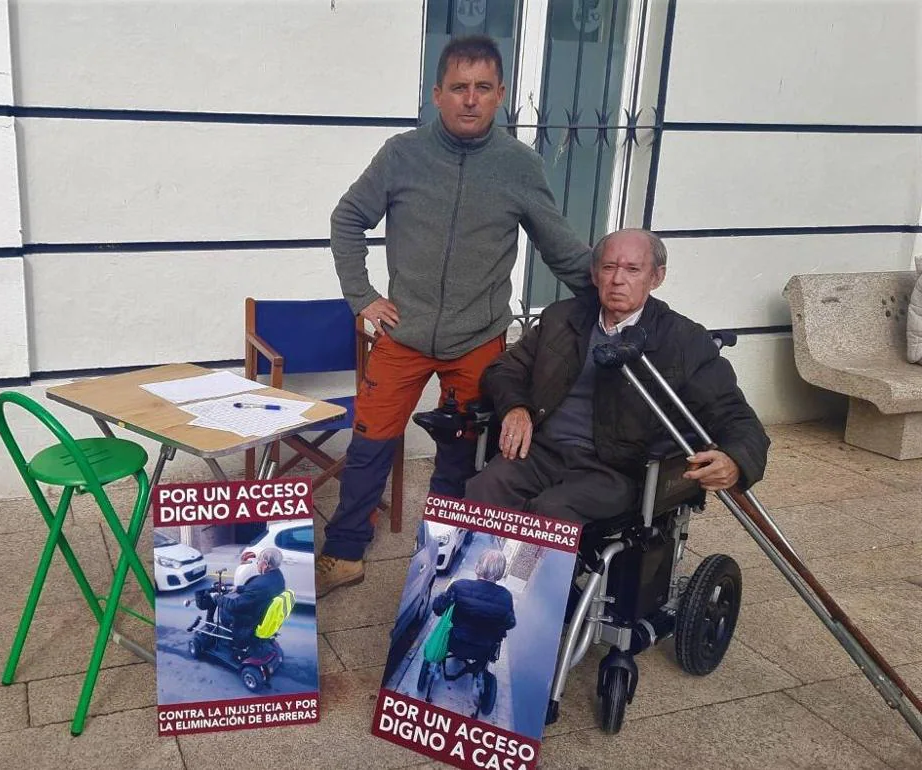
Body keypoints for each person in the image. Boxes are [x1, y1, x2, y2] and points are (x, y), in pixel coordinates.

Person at [317, 34, 595, 597]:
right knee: (370, 442)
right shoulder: (401, 154)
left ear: (501, 96)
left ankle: (440, 559)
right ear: (437, 94)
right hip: (403, 333)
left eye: (483, 88)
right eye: (459, 88)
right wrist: (361, 295)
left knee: (461, 452)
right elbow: (347, 219)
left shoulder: (520, 166)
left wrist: (614, 292)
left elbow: (560, 247)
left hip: (479, 339)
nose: (470, 99)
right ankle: (345, 554)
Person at [466, 228, 770, 523]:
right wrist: (516, 407)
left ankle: (528, 574)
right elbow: (504, 369)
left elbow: (735, 416)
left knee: (551, 512)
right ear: (595, 274)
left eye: (633, 269)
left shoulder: (684, 340)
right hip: (543, 452)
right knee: (482, 492)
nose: (617, 280)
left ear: (657, 277)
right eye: (609, 267)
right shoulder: (561, 319)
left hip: (616, 469)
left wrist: (735, 460)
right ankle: (479, 575)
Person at [432, 549, 516, 663]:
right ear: (501, 573)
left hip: (455, 641)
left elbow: (438, 609)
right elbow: (510, 623)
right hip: (483, 648)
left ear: (477, 567)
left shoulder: (459, 586)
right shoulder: (506, 597)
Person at [217, 547, 286, 652]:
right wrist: (238, 588)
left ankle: (237, 640)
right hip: (263, 612)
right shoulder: (278, 577)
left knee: (224, 610)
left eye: (258, 561)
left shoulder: (259, 584)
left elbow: (235, 605)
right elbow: (259, 592)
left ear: (265, 564)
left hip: (252, 621)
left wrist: (218, 598)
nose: (257, 563)